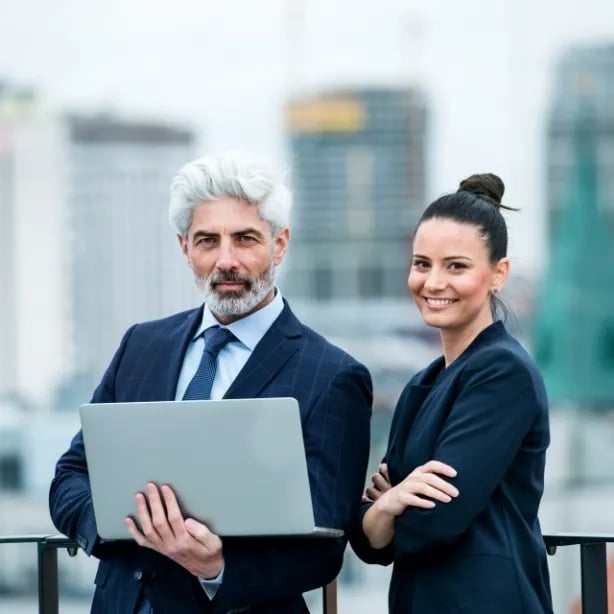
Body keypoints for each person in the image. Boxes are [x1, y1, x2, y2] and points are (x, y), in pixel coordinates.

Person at [49, 150, 372, 614]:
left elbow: (324, 545)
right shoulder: (141, 346)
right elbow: (70, 478)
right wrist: (128, 525)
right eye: (207, 241)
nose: (226, 260)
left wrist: (217, 564)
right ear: (185, 248)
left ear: (279, 244)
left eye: (245, 239)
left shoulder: (333, 376)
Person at [350, 173, 553, 613]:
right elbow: (367, 543)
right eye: (422, 264)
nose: (433, 282)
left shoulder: (503, 373)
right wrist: (393, 502)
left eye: (455, 266)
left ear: (498, 274)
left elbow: (433, 522)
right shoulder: (421, 383)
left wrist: (388, 505)